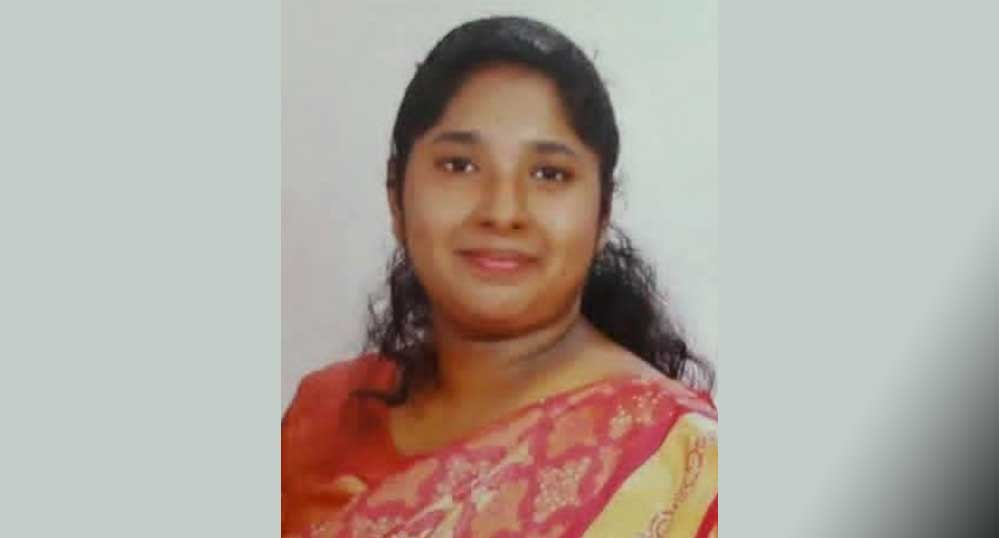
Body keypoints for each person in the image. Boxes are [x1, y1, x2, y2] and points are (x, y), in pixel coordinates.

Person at [282, 15, 718, 538]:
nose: (503, 211)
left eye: (550, 174)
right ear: (396, 195)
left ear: (602, 213)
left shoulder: (683, 469)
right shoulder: (323, 419)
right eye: (459, 166)